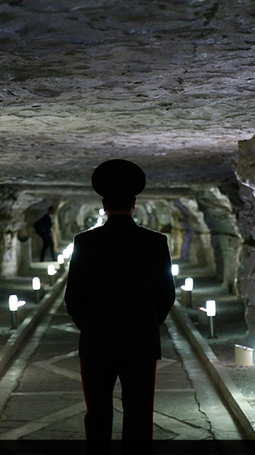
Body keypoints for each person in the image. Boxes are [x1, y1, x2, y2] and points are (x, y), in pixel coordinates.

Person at [64, 159, 176, 454]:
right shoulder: (155, 242)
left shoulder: (84, 242)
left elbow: (73, 297)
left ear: (103, 205)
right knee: (139, 412)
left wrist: (90, 325)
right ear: (134, 204)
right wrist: (149, 323)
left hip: (96, 339)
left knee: (98, 412)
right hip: (141, 339)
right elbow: (166, 294)